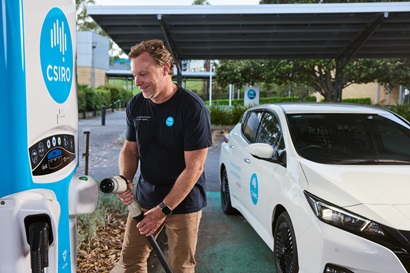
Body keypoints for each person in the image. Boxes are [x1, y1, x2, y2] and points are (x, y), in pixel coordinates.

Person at [116, 39, 212, 273]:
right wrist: (125, 180)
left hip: (182, 203)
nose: (137, 82)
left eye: (144, 74)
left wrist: (163, 210)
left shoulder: (192, 109)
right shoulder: (136, 105)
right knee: (131, 259)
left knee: (181, 267)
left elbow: (194, 168)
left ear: (165, 69)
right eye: (135, 75)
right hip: (145, 197)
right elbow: (130, 149)